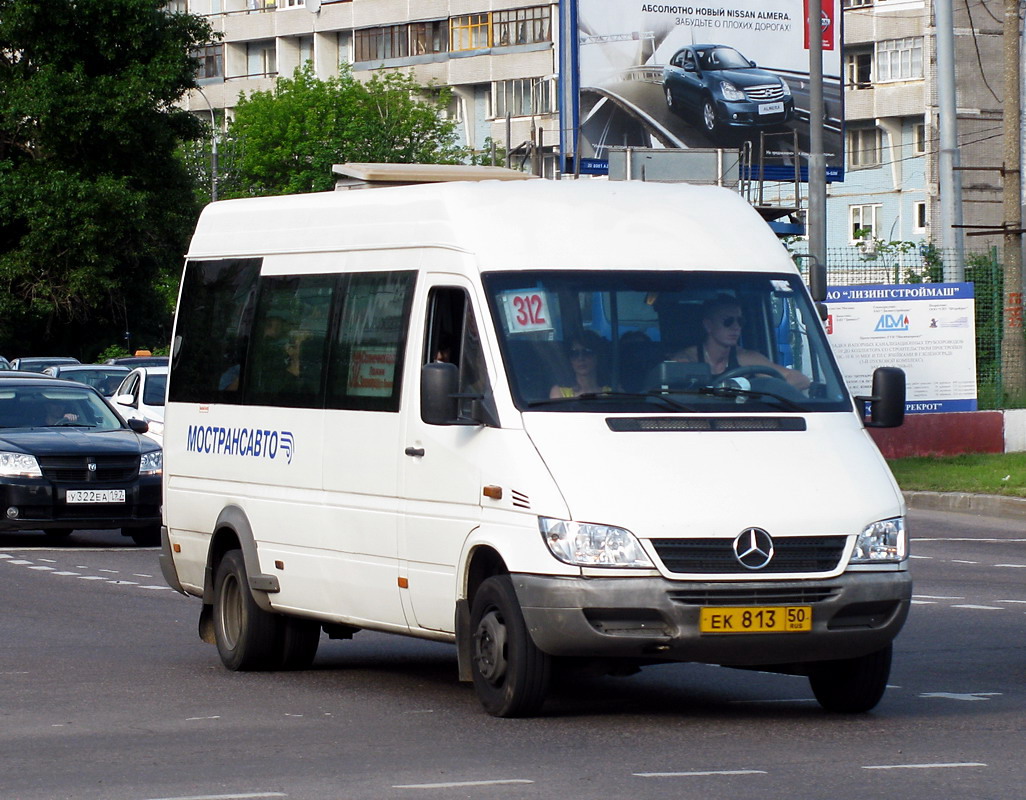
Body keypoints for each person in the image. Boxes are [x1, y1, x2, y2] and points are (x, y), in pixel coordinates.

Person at [671, 295, 811, 391]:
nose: (736, 327)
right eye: (728, 321)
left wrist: (762, 391)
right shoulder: (687, 359)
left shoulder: (747, 358)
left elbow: (801, 380)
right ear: (708, 326)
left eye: (740, 321)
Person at [550, 331, 611, 398]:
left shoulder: (613, 393)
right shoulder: (559, 393)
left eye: (587, 352)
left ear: (598, 356)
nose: (580, 358)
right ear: (569, 360)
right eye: (575, 353)